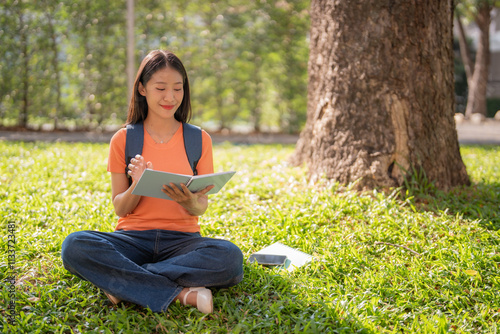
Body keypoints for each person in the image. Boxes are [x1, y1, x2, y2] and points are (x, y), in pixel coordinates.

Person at [61, 50, 244, 314]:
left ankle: (125, 283)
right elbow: (121, 209)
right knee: (75, 246)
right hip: (132, 240)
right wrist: (137, 183)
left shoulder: (198, 139)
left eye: (177, 89)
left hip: (182, 242)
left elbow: (201, 206)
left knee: (230, 257)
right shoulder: (123, 140)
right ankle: (182, 294)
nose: (170, 97)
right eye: (160, 88)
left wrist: (191, 202)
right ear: (142, 89)